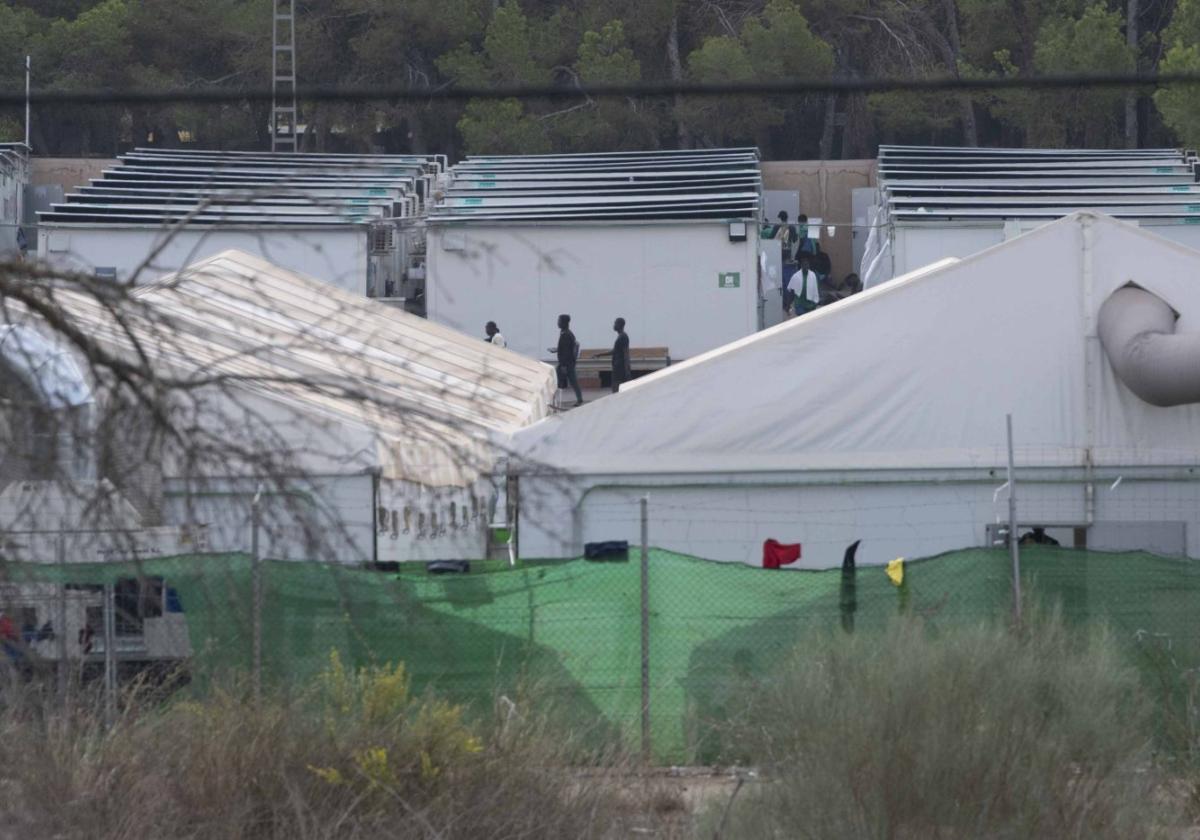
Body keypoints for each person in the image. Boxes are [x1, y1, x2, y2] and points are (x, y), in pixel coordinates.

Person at [548, 314, 583, 406]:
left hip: (566, 364)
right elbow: (565, 348)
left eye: (559, 321)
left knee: (558, 380)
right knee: (571, 381)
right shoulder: (565, 333)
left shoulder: (566, 335)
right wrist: (556, 349)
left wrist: (563, 366)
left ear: (564, 323)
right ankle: (579, 399)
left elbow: (567, 352)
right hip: (567, 363)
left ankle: (555, 402)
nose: (558, 323)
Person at [596, 317, 632, 393]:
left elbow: (626, 353)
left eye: (615, 323)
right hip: (617, 366)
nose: (614, 325)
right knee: (616, 387)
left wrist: (627, 369)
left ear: (620, 325)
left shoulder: (623, 337)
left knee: (617, 387)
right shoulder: (620, 336)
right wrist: (599, 354)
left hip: (620, 367)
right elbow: (614, 351)